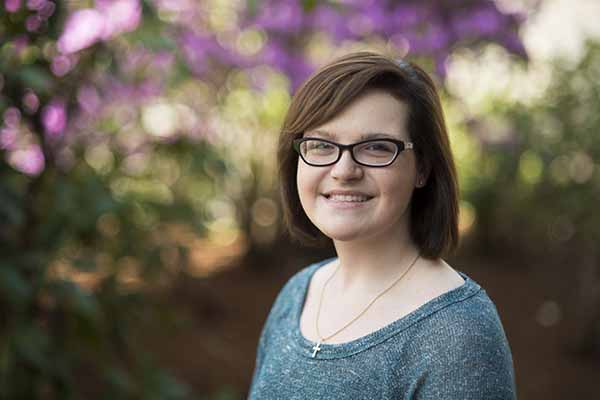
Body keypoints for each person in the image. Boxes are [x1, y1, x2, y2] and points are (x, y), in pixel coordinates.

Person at [247, 51, 517, 399]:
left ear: (422, 168)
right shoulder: (297, 294)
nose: (344, 171)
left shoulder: (457, 333)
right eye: (321, 145)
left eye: (376, 147)